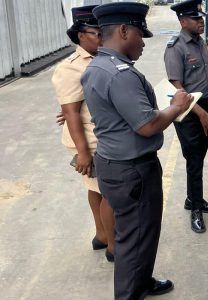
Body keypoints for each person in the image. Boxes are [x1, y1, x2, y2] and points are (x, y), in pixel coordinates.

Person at [81, 2, 193, 298]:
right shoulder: (120, 74)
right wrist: (176, 107)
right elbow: (147, 125)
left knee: (141, 235)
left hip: (114, 163)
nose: (143, 43)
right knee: (134, 240)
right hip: (132, 170)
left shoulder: (96, 66)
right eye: (140, 35)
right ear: (123, 30)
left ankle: (142, 282)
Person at [52, 5, 115, 262]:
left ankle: (101, 235)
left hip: (97, 135)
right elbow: (71, 113)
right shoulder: (71, 68)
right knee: (110, 191)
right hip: (89, 140)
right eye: (96, 33)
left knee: (96, 187)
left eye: (103, 32)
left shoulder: (103, 57)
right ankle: (114, 247)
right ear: (80, 35)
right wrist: (83, 153)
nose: (102, 37)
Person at [164, 0, 208, 233]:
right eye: (196, 19)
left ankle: (192, 198)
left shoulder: (200, 42)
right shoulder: (175, 47)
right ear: (182, 21)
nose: (201, 22)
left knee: (199, 158)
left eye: (201, 18)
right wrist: (201, 114)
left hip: (205, 105)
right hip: (189, 111)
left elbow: (204, 79)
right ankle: (195, 208)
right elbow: (178, 89)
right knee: (194, 160)